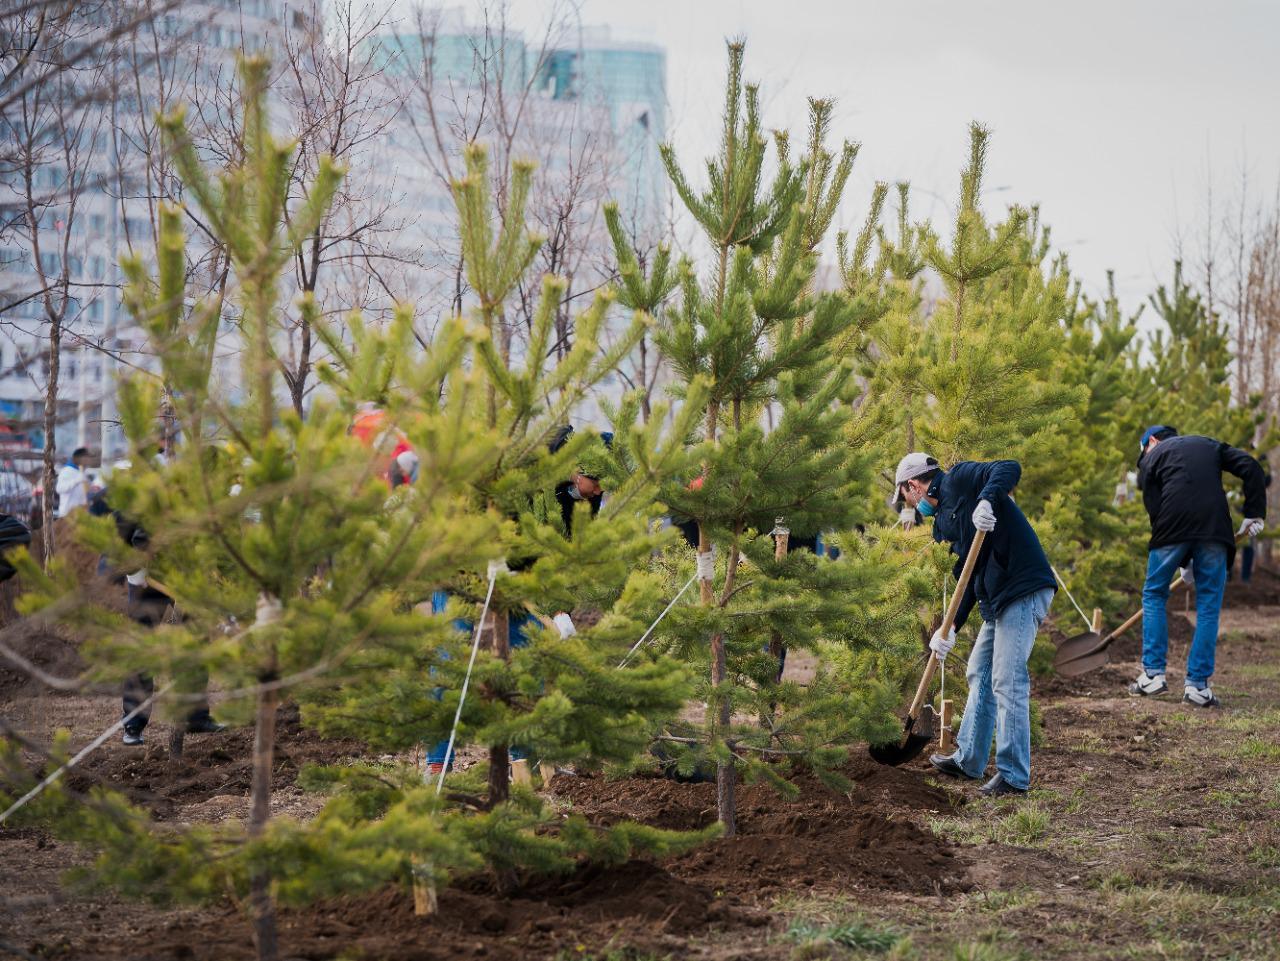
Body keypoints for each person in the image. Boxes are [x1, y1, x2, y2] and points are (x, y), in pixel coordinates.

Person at [895, 452, 1056, 798]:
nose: (907, 504)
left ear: (913, 485)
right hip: (996, 598)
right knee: (979, 672)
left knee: (1006, 679)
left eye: (905, 496)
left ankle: (1014, 776)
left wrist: (985, 499)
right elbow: (966, 577)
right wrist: (950, 627)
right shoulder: (941, 524)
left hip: (1022, 585)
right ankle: (969, 759)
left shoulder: (961, 478)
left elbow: (1010, 467)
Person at [1130, 426, 1267, 707]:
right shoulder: (1209, 443)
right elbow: (1251, 466)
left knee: (1154, 594)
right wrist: (1254, 513)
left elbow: (1155, 509)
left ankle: (1153, 675)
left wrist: (1179, 557)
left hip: (1170, 529)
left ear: (1152, 441)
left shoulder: (1152, 457)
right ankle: (1197, 687)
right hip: (1215, 531)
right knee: (1208, 605)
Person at [111, 512, 224, 746]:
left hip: (189, 571)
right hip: (148, 572)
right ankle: (133, 723)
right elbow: (123, 525)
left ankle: (195, 716)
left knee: (196, 639)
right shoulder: (149, 487)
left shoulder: (203, 488)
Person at [54, 447, 91, 517]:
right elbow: (59, 489)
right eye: (86, 458)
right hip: (68, 515)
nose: (88, 461)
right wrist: (76, 481)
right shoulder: (66, 471)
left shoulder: (82, 472)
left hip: (81, 514)